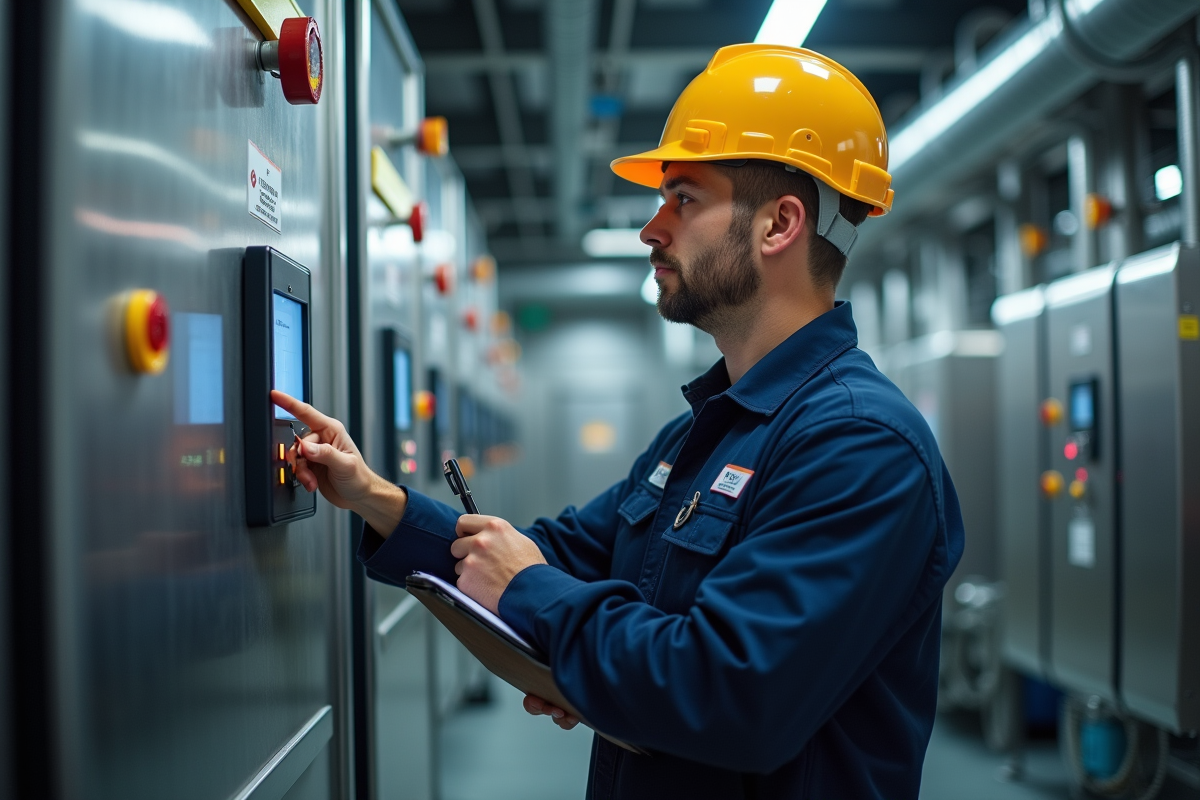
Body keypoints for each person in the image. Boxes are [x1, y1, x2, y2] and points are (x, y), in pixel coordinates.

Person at [273, 44, 964, 800]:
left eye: (683, 199)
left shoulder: (861, 446)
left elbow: (731, 695)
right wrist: (378, 499)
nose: (651, 228)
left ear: (780, 224)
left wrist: (542, 607)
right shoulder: (702, 435)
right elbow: (558, 554)